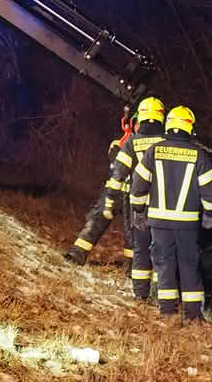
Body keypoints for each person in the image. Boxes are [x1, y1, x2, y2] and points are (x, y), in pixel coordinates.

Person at [65, 97, 167, 300]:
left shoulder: (133, 142)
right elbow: (116, 165)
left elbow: (119, 170)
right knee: (105, 218)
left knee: (136, 236)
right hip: (130, 193)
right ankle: (78, 251)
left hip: (133, 195)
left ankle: (134, 270)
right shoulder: (124, 142)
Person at [130, 105, 212, 321]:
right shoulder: (199, 154)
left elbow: (138, 185)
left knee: (164, 265)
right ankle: (193, 315)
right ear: (189, 128)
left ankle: (168, 312)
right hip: (187, 224)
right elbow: (210, 188)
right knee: (189, 265)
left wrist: (139, 210)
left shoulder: (154, 151)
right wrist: (208, 214)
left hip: (159, 223)